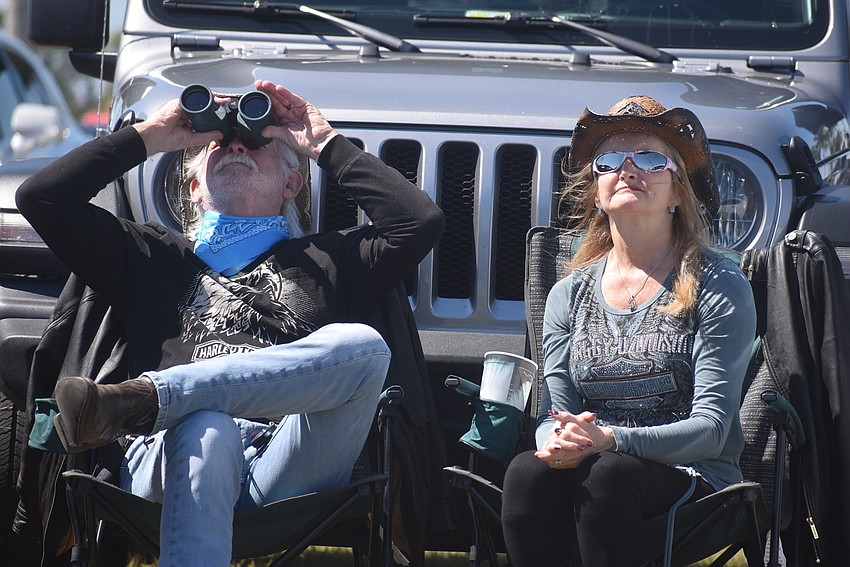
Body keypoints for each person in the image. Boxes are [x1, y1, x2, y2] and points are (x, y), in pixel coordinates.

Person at [15, 80, 444, 566]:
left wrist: (323, 143)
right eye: (219, 144)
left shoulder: (331, 260)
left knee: (364, 347)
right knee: (208, 426)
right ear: (194, 188)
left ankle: (147, 397)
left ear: (291, 185)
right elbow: (41, 198)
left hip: (283, 462)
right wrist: (152, 135)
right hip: (166, 450)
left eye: (257, 142)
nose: (237, 145)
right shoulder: (148, 255)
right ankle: (166, 404)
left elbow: (420, 221)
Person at [500, 95, 757, 567]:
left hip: (692, 480)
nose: (628, 169)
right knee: (525, 474)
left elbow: (713, 430)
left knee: (607, 476)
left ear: (678, 191)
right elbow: (554, 413)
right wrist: (555, 441)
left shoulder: (718, 283)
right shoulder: (567, 294)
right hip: (597, 464)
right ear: (597, 193)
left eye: (651, 159)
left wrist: (611, 439)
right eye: (610, 160)